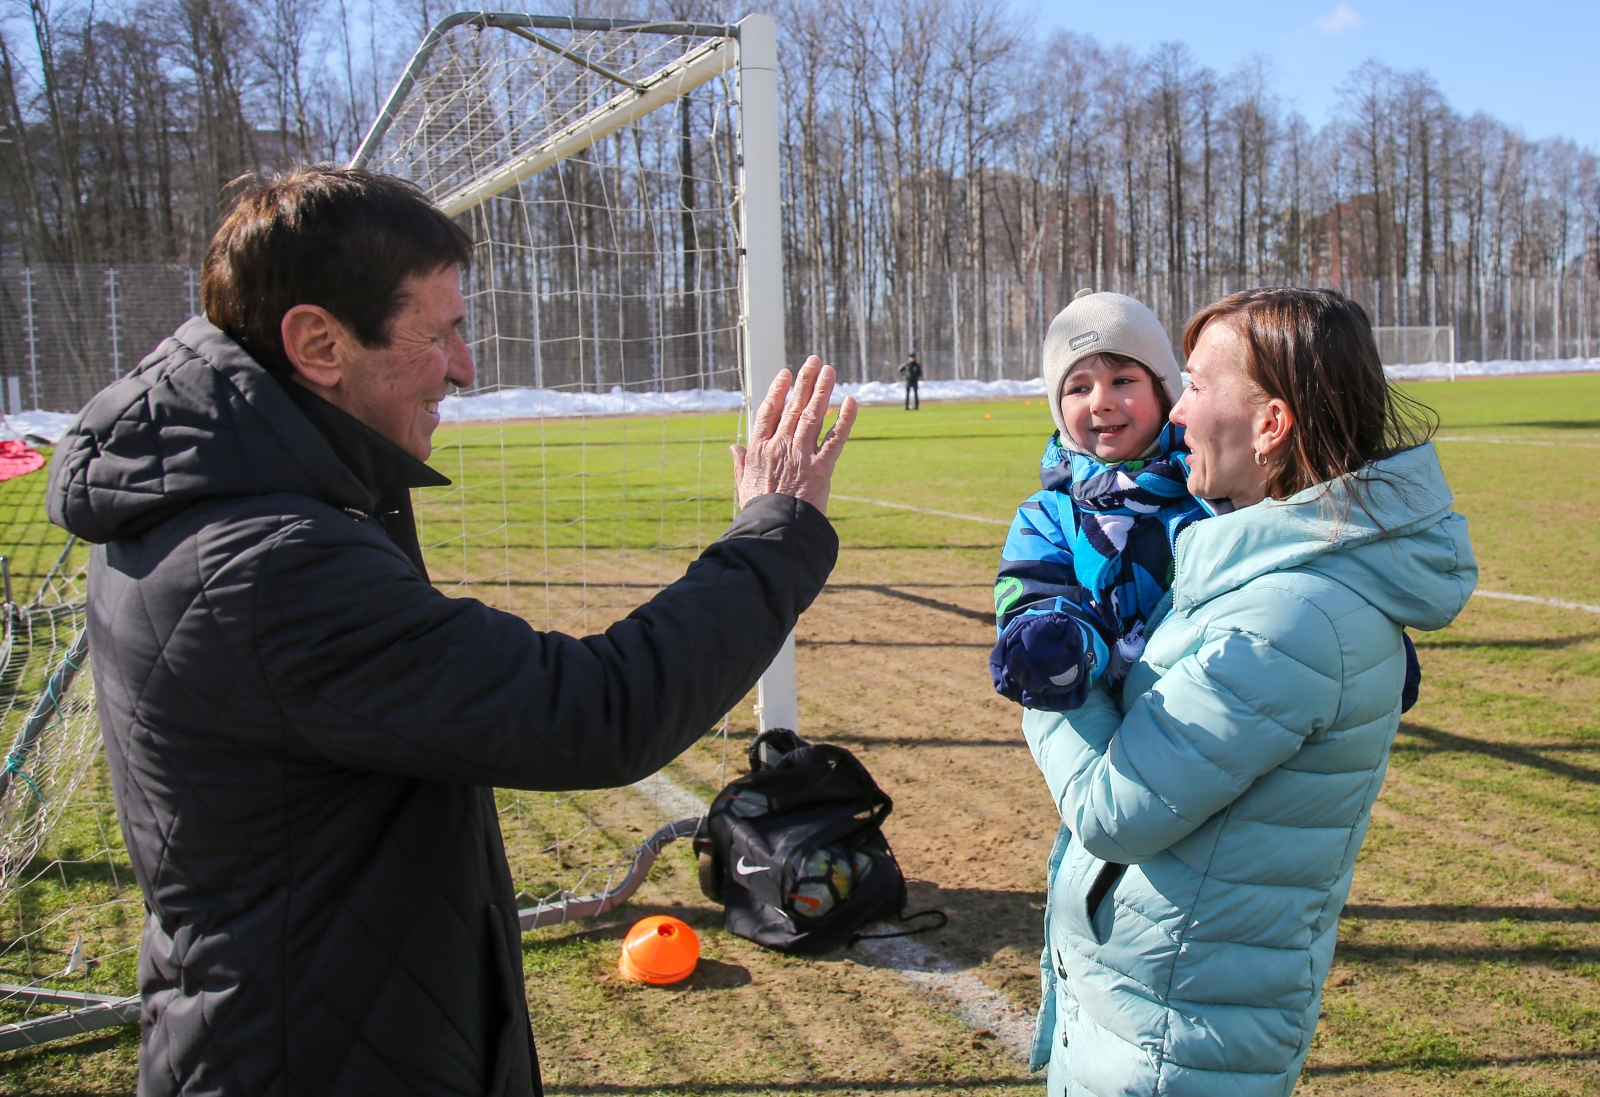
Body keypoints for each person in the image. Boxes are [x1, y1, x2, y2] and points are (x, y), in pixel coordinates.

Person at [45, 166, 857, 1097]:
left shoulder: (222, 497)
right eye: (439, 334)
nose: (466, 366)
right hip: (305, 1054)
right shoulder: (266, 563)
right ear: (318, 342)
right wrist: (775, 530)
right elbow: (591, 709)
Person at [1021, 287, 1475, 1096]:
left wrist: (1045, 678)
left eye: (1191, 386)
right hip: (1160, 1010)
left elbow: (1109, 809)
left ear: (1270, 425)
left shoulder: (1285, 618)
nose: (1177, 415)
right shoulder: (1260, 576)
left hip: (1175, 1043)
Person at [990, 290, 1204, 711]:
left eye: (1122, 380)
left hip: (1210, 700)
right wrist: (1056, 647)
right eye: (1078, 388)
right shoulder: (1049, 515)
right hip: (1113, 725)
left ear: (1164, 391)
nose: (1100, 401)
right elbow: (1034, 592)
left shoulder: (1207, 483)